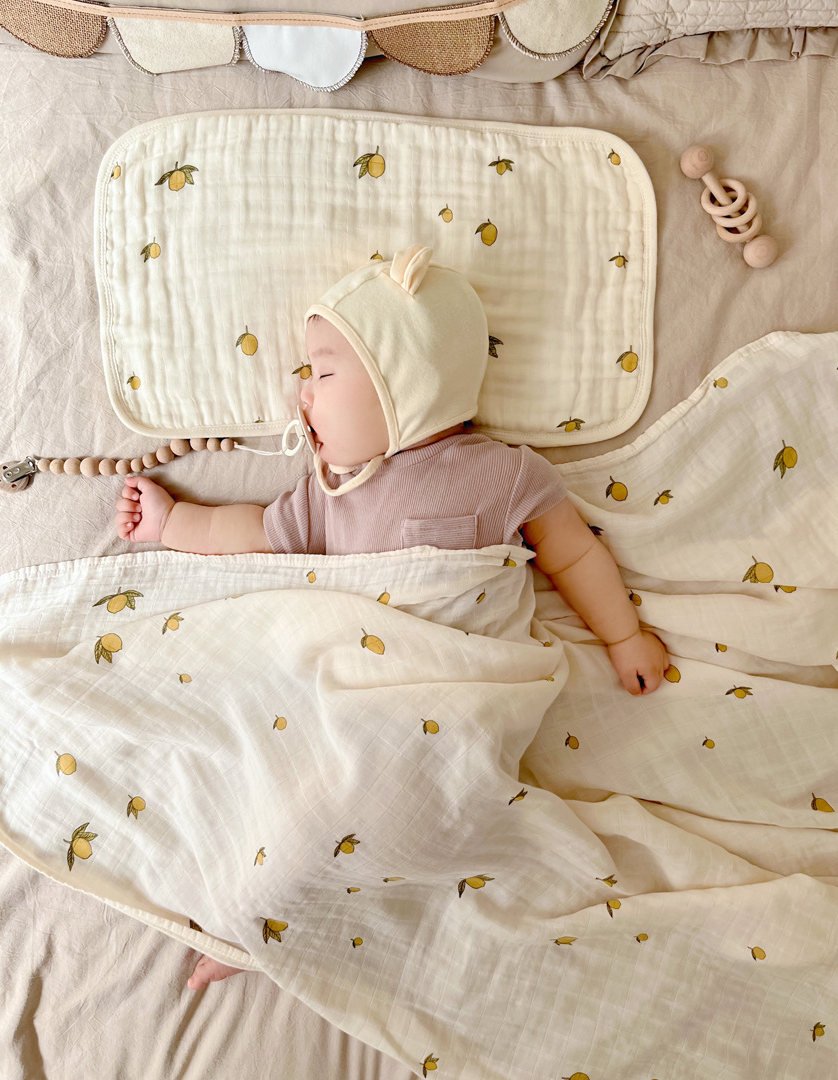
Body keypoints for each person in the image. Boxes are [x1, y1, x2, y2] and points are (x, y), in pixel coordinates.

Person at [113, 245, 670, 990]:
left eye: (322, 373)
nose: (302, 394)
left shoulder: (506, 472)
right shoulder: (331, 494)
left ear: (403, 383)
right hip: (354, 702)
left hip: (456, 700)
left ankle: (293, 910)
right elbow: (248, 531)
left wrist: (623, 634)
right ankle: (255, 919)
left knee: (406, 814)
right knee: (289, 791)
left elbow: (572, 555)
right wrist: (171, 522)